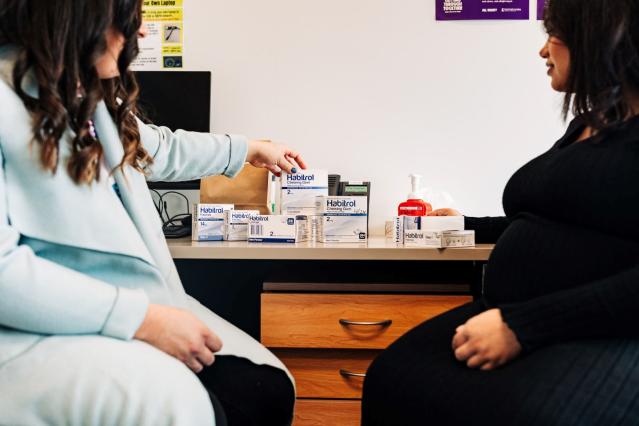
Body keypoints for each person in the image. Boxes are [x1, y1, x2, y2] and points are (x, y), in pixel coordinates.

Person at [0, 0, 302, 425]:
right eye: (129, 16)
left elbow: (159, 148)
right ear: (78, 16)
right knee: (186, 409)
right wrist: (142, 319)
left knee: (265, 390)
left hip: (123, 304)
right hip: (41, 323)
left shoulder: (85, 95)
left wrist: (249, 149)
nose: (141, 32)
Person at [362, 0, 639, 424]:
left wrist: (525, 327)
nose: (543, 51)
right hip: (511, 315)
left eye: (554, 34)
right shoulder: (589, 124)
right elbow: (553, 221)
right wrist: (461, 225)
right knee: (390, 378)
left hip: (596, 330)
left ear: (598, 38)